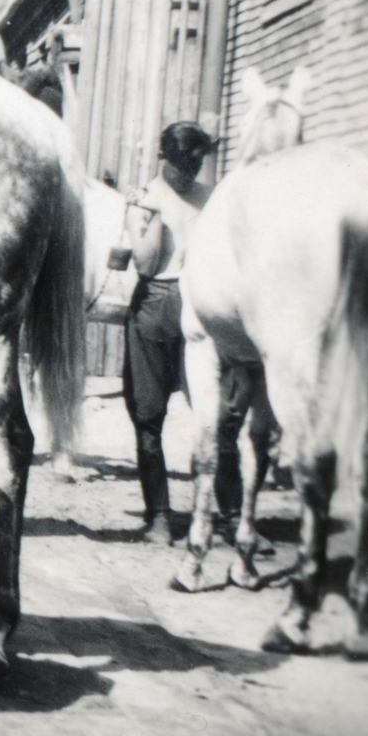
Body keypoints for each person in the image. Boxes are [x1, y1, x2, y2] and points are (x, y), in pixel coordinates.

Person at [122, 122, 215, 544]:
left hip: (204, 304)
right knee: (148, 414)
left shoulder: (211, 197)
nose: (191, 173)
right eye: (183, 164)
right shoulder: (144, 199)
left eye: (197, 164)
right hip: (157, 303)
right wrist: (151, 215)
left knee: (218, 414)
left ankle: (229, 516)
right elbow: (143, 265)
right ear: (166, 159)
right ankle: (159, 515)